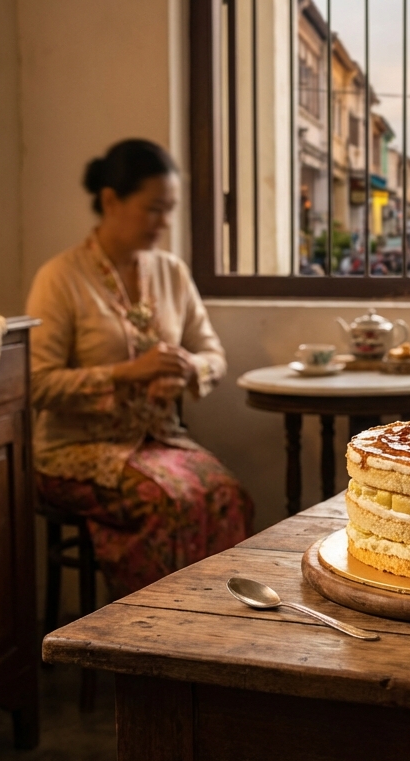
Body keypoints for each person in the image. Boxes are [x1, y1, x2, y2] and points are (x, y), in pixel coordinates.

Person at [26, 138, 253, 595]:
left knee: (226, 493)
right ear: (111, 200)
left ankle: (212, 632)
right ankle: (145, 639)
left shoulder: (170, 271)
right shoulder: (61, 277)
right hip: (75, 448)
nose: (164, 222)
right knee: (164, 502)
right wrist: (127, 373)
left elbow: (213, 354)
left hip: (158, 442)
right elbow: (36, 384)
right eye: (153, 209)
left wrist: (185, 367)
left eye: (169, 209)